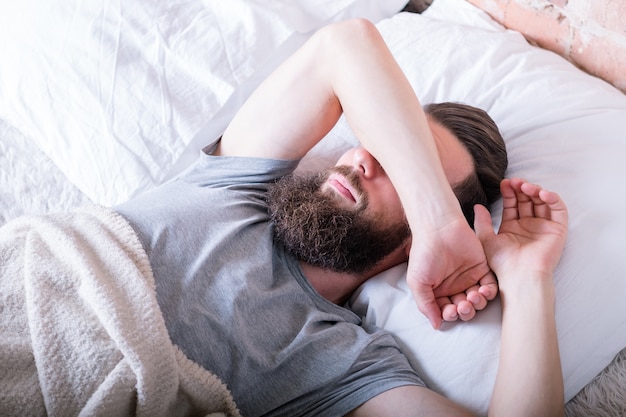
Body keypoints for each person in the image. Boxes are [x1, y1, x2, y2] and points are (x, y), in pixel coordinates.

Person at [115, 19, 567, 417]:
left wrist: (527, 281)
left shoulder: (340, 362)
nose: (363, 160)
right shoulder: (233, 184)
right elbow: (344, 46)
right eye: (384, 145)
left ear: (417, 244)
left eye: (398, 170)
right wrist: (436, 217)